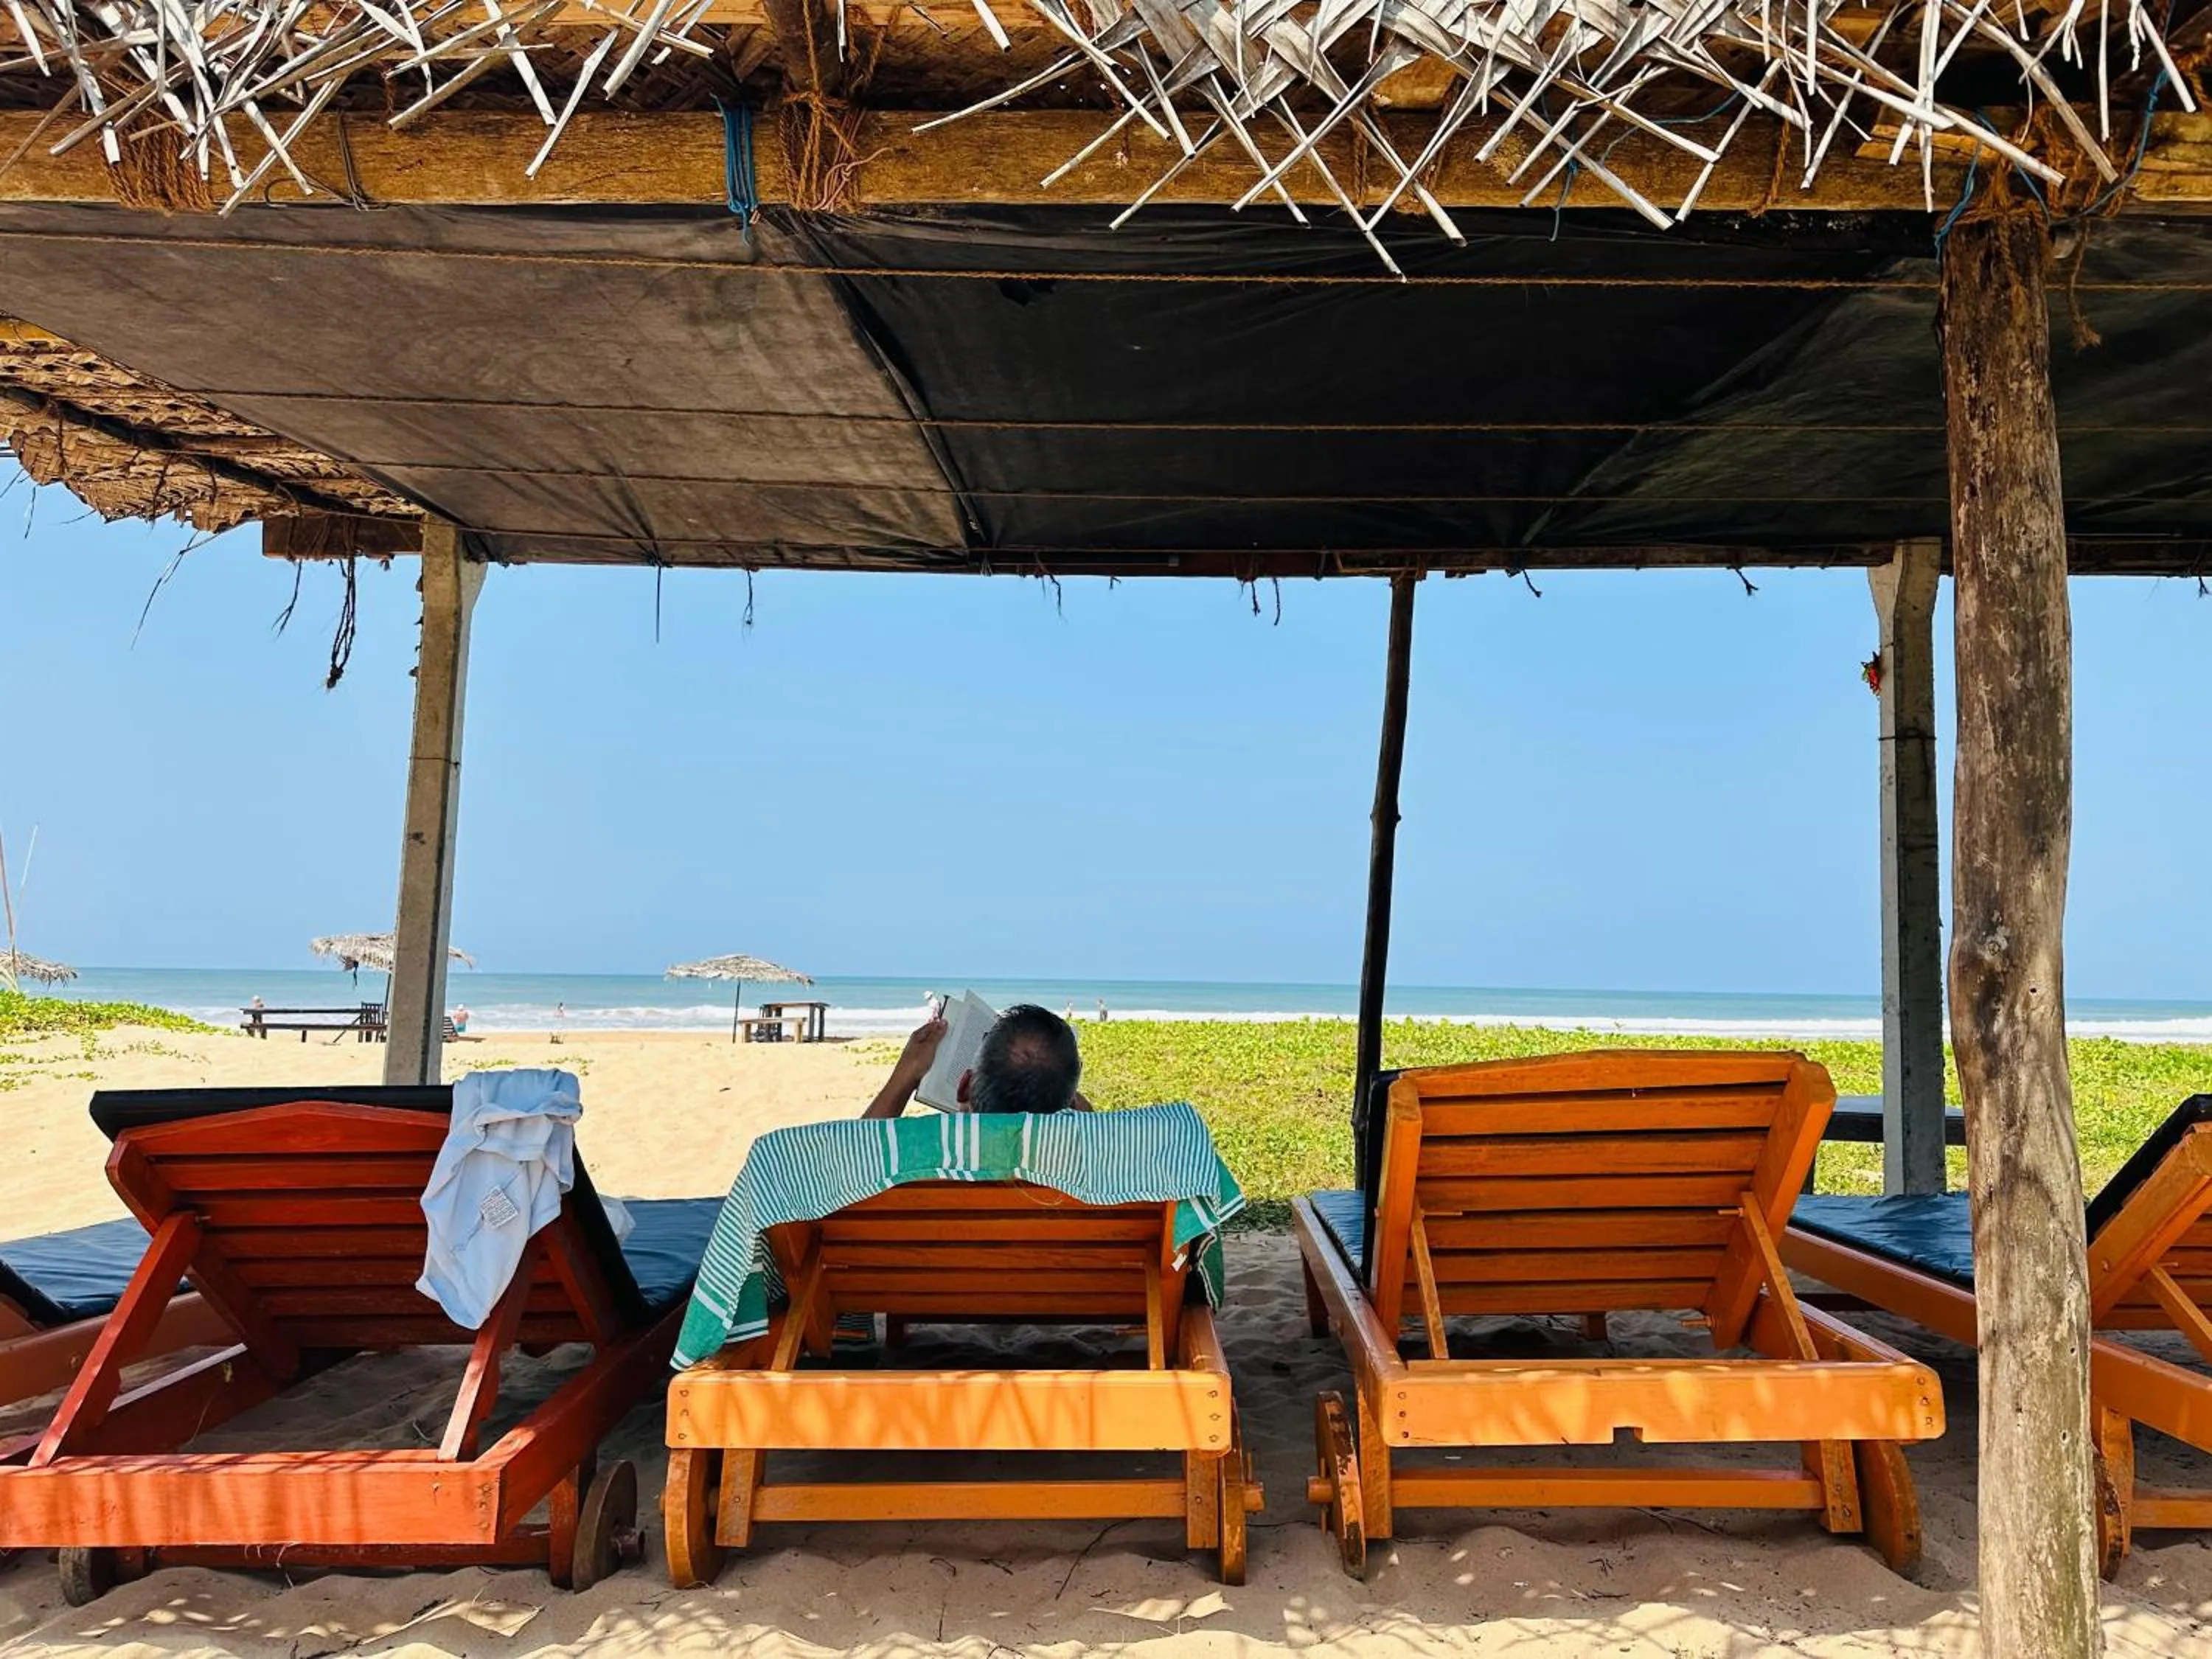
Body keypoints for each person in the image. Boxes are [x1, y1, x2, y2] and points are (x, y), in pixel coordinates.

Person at [863, 1003, 1096, 1120]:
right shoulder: (1096, 1165)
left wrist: (905, 1075)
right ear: (1072, 1105)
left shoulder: (925, 1149)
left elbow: (858, 1150)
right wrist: (1063, 1088)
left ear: (964, 1087)